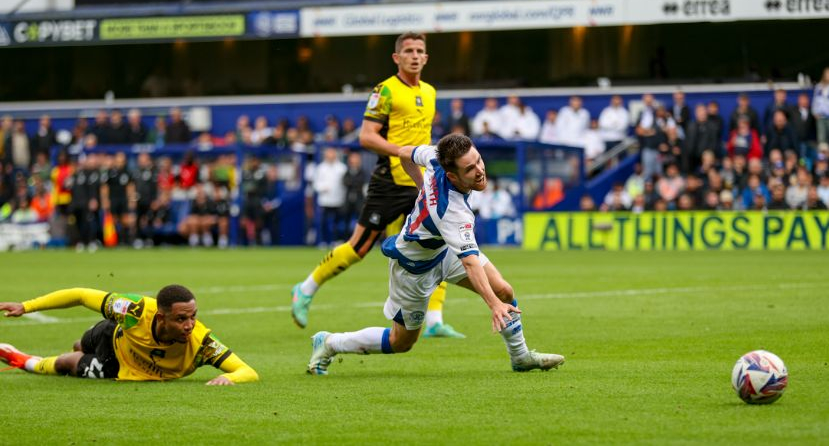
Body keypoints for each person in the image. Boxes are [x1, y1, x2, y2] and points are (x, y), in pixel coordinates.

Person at [306, 134, 564, 375]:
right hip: (414, 268)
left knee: (504, 290)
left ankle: (520, 357)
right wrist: (493, 305)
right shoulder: (452, 212)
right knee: (401, 342)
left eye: (478, 160)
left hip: (443, 250)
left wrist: (422, 187)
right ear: (452, 176)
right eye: (470, 169)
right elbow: (470, 263)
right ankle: (330, 342)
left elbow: (404, 153)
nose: (480, 170)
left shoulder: (434, 156)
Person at [291, 32, 463, 338]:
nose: (414, 55)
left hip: (420, 181)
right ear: (397, 57)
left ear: (426, 57)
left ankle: (435, 321)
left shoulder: (430, 92)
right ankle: (305, 289)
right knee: (359, 247)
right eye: (408, 51)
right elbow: (366, 136)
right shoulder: (385, 90)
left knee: (439, 241)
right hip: (389, 181)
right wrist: (401, 151)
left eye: (419, 51)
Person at [0, 285, 257, 385]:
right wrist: (26, 306)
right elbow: (80, 295)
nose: (190, 325)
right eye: (181, 319)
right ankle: (82, 346)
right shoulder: (135, 310)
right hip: (113, 335)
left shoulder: (203, 344)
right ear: (160, 317)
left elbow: (248, 372)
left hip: (120, 367)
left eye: (193, 316)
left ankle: (21, 359)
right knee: (82, 343)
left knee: (67, 364)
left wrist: (228, 378)